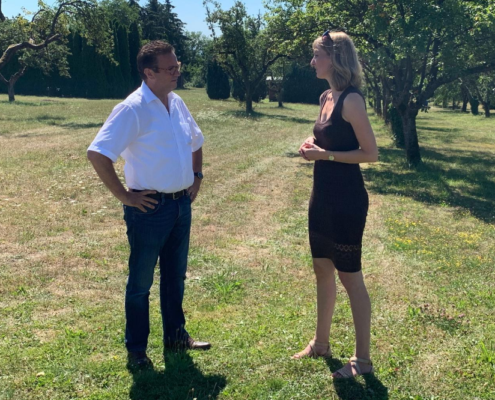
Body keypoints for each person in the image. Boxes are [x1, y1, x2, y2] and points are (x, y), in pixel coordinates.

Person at [87, 40, 210, 368]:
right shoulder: (133, 108)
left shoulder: (177, 102)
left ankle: (175, 336)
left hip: (181, 205)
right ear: (148, 72)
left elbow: (196, 140)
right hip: (149, 209)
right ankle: (137, 350)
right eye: (170, 69)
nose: (177, 73)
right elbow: (98, 153)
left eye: (177, 66)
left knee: (176, 277)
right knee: (141, 282)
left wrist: (196, 176)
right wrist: (126, 196)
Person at [293, 31, 379, 379]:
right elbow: (328, 137)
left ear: (335, 58)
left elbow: (370, 154)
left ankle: (363, 361)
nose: (312, 62)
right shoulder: (326, 95)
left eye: (317, 56)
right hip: (322, 197)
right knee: (322, 269)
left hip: (347, 200)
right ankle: (321, 343)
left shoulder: (352, 100)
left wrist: (324, 154)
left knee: (350, 276)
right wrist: (313, 142)